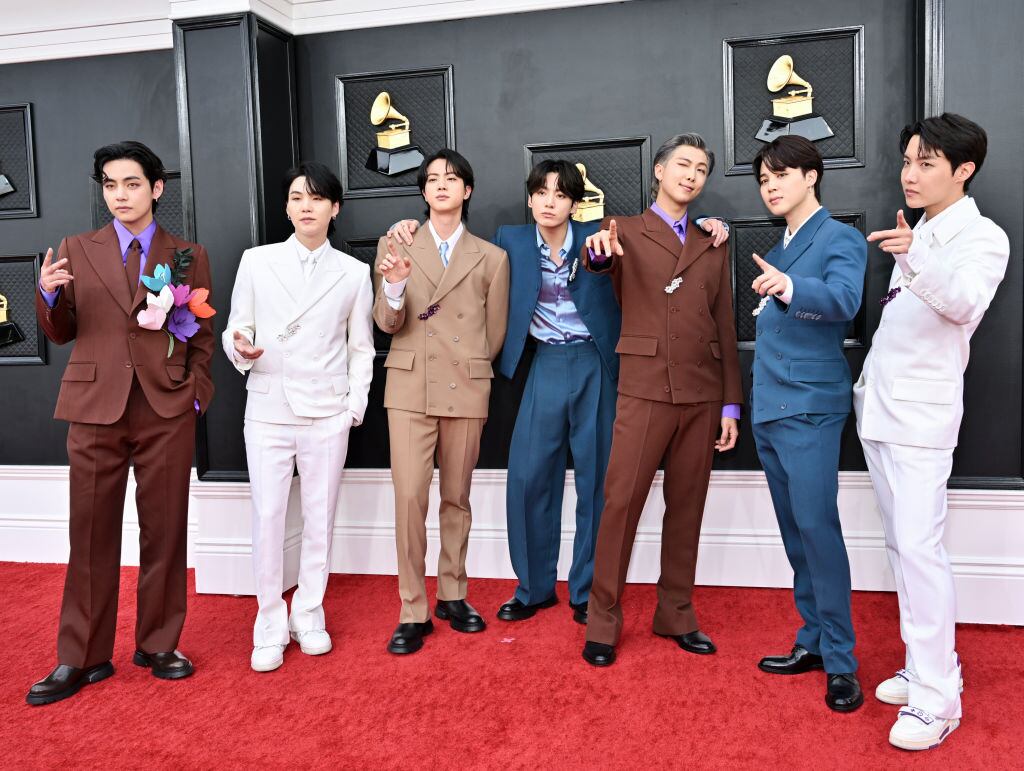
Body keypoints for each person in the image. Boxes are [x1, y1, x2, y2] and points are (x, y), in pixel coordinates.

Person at [388, 161, 730, 627]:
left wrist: (714, 224)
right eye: (541, 193)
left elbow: (670, 235)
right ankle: (533, 588)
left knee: (597, 482)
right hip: (544, 363)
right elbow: (449, 240)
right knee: (528, 479)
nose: (550, 202)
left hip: (597, 363)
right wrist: (404, 224)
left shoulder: (604, 235)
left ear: (575, 202)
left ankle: (587, 591)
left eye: (560, 194)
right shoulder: (509, 240)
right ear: (529, 200)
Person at [27, 141, 215, 704]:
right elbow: (60, 332)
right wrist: (46, 293)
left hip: (165, 409)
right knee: (89, 534)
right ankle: (81, 657)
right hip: (93, 409)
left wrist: (195, 397)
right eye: (110, 185)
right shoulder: (75, 249)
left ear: (157, 188)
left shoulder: (187, 254)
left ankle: (158, 643)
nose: (120, 195)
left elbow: (201, 338)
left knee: (165, 530)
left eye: (131, 184)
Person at [855, 113, 1009, 750]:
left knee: (920, 550)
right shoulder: (916, 228)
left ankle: (939, 698)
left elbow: (965, 305)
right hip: (883, 409)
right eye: (908, 161)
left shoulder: (983, 238)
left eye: (926, 163)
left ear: (963, 170)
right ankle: (922, 667)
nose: (909, 174)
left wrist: (917, 254)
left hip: (923, 418)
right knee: (901, 547)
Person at [579, 133, 742, 667]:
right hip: (644, 388)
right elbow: (599, 262)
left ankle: (676, 614)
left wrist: (730, 405)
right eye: (683, 165)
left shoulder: (712, 241)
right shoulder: (621, 230)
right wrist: (598, 253)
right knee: (620, 505)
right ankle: (602, 621)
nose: (691, 175)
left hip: (701, 394)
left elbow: (724, 323)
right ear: (659, 170)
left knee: (687, 508)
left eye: (701, 169)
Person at [222, 162, 374, 672]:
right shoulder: (257, 261)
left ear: (334, 208)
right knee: (266, 518)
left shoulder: (353, 273)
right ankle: (268, 622)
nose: (304, 206)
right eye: (295, 197)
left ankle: (308, 613)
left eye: (315, 198)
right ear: (286, 207)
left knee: (319, 519)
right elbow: (235, 327)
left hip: (326, 411)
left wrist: (353, 407)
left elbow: (362, 348)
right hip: (267, 408)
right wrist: (240, 348)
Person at [744, 135, 867, 712]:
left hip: (812, 407)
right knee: (797, 535)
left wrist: (789, 286)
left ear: (812, 176)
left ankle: (842, 663)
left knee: (818, 531)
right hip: (772, 408)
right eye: (764, 177)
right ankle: (812, 641)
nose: (770, 185)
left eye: (781, 174)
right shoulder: (782, 243)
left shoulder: (837, 237)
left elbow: (844, 300)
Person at [373, 149, 510, 655]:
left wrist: (467, 368)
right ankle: (413, 609)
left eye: (451, 179)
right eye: (431, 179)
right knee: (410, 499)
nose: (441, 186)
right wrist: (394, 287)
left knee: (457, 499)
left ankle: (454, 594)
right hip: (409, 387)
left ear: (467, 190)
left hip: (465, 387)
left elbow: (493, 335)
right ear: (424, 192)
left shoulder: (492, 258)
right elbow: (387, 322)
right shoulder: (396, 242)